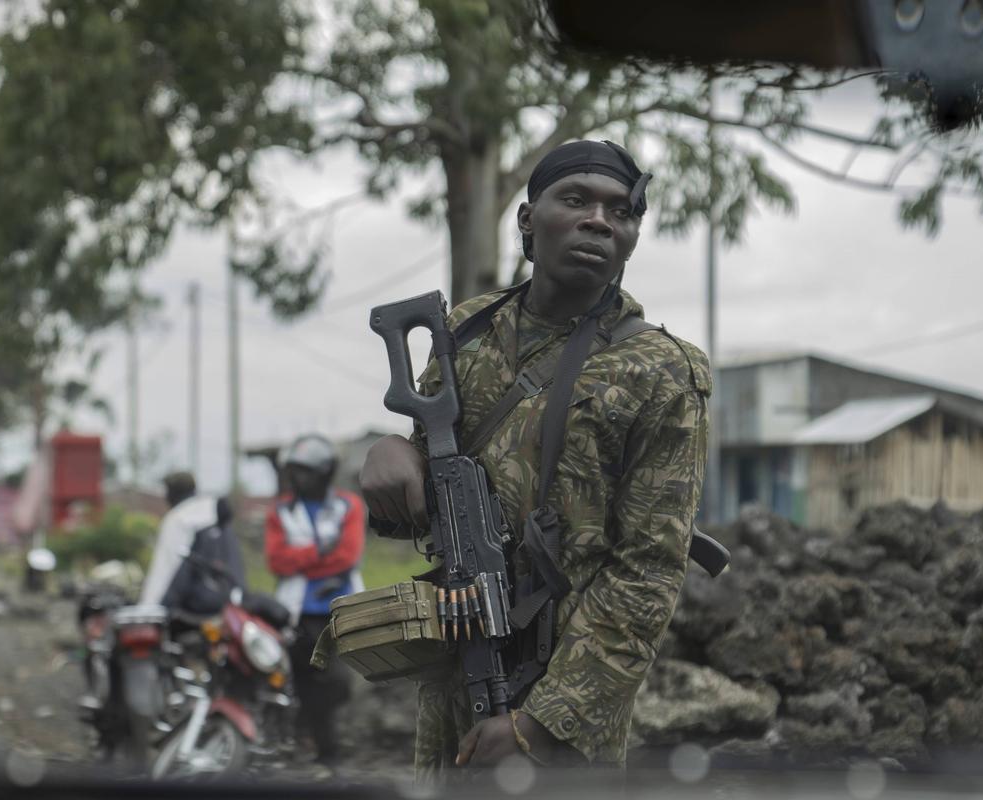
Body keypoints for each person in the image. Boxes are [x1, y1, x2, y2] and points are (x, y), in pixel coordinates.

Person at [360, 140, 711, 780]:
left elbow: (647, 575)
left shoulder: (662, 373)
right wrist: (389, 457)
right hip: (457, 675)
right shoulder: (462, 334)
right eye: (575, 200)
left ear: (632, 236)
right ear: (528, 219)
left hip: (563, 722)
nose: (599, 221)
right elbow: (433, 496)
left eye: (619, 212)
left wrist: (536, 725)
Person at [264, 433, 366, 766]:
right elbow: (277, 560)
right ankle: (325, 750)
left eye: (306, 471)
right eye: (295, 470)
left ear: (324, 472)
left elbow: (348, 555)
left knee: (338, 681)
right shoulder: (280, 510)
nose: (298, 478)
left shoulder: (348, 505)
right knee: (305, 679)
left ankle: (319, 737)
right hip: (298, 611)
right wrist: (319, 553)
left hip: (341, 608)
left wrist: (303, 559)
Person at [139, 471, 243, 614]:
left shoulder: (178, 519)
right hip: (231, 603)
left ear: (172, 493)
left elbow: (165, 568)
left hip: (192, 610)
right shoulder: (215, 513)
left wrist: (147, 609)